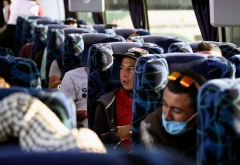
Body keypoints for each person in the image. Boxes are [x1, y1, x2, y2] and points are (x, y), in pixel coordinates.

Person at [139, 70, 206, 160]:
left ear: (198, 113)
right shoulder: (150, 126)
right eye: (165, 104)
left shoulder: (211, 128)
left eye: (177, 111)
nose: (167, 116)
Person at [93, 47, 149, 152]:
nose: (124, 74)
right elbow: (96, 141)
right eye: (122, 68)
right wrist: (117, 134)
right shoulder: (107, 102)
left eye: (131, 69)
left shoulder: (160, 103)